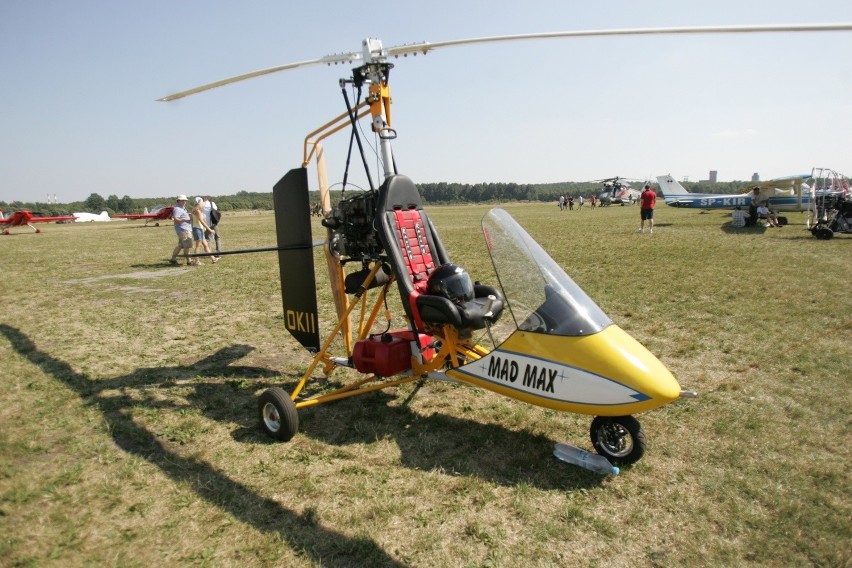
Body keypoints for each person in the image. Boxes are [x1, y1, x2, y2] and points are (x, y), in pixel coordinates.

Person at [191, 197, 218, 263]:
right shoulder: (197, 211)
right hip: (198, 229)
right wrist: (210, 230)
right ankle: (197, 261)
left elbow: (193, 220)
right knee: (198, 246)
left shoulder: (196, 210)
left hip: (199, 229)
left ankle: (213, 258)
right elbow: (202, 221)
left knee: (206, 245)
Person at [169, 195, 193, 265]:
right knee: (187, 245)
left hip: (184, 229)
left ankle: (173, 259)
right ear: (178, 201)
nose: (184, 202)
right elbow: (176, 219)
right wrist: (185, 220)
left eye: (185, 200)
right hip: (183, 230)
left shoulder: (182, 208)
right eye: (182, 200)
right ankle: (189, 261)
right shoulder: (178, 209)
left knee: (181, 245)